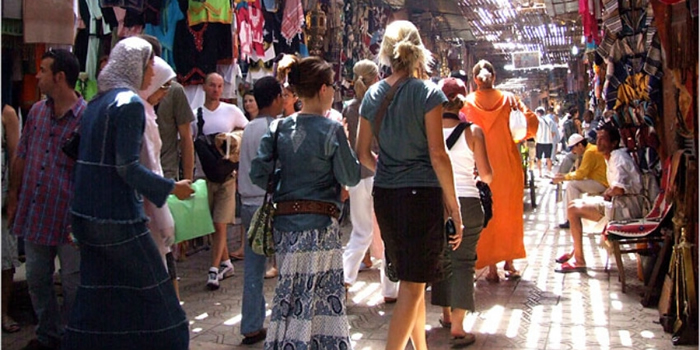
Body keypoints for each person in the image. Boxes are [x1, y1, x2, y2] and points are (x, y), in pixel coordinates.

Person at [63, 37, 193, 350]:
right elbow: (127, 168)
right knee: (165, 310)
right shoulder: (130, 104)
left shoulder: (97, 102)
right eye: (148, 64)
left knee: (97, 300)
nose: (151, 72)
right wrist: (172, 188)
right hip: (119, 220)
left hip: (86, 217)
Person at [356, 20, 463, 350]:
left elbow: (362, 153)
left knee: (410, 280)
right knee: (415, 284)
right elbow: (437, 153)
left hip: (386, 195)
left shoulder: (373, 93)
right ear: (419, 50)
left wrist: (390, 170)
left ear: (386, 52)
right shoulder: (427, 92)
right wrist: (454, 207)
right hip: (420, 197)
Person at [250, 55, 360, 348]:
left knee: (291, 291)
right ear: (323, 89)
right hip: (320, 228)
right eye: (332, 86)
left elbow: (258, 173)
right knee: (320, 295)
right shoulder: (332, 129)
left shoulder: (278, 128)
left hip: (285, 227)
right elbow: (350, 174)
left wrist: (285, 183)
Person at [7, 49, 86, 350]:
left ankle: (75, 337)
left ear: (60, 77)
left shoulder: (86, 118)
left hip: (69, 219)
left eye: (42, 70)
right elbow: (22, 156)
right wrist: (14, 196)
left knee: (73, 283)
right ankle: (48, 334)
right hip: (37, 211)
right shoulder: (38, 113)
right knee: (38, 279)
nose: (37, 76)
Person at [460, 59, 538, 283]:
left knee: (486, 214)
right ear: (494, 77)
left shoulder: (467, 103)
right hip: (508, 167)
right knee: (508, 213)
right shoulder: (510, 99)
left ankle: (490, 267)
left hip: (479, 167)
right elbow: (530, 124)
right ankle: (509, 263)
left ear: (475, 80)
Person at [430, 77, 492, 347]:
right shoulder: (474, 132)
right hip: (467, 202)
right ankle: (457, 326)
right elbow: (487, 175)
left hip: (436, 203)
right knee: (463, 262)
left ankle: (444, 314)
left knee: (442, 257)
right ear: (462, 100)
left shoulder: (427, 131)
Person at [342, 59, 399, 304]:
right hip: (381, 173)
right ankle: (390, 291)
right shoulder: (385, 105)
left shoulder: (349, 107)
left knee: (361, 232)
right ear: (377, 78)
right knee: (389, 233)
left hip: (357, 175)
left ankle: (344, 279)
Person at [556, 123, 643, 273]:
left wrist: (608, 194)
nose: (599, 142)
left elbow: (619, 188)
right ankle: (574, 254)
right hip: (618, 203)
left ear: (614, 143)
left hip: (625, 207)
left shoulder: (617, 158)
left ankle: (579, 260)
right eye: (598, 138)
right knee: (574, 206)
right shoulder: (609, 158)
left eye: (603, 139)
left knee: (574, 209)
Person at [238, 76, 285, 345]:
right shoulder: (274, 128)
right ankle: (283, 322)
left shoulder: (249, 127)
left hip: (247, 203)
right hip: (269, 205)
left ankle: (251, 325)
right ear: (276, 98)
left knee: (254, 268)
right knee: (286, 265)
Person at [193, 73, 248, 290]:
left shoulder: (231, 111)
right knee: (212, 225)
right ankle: (226, 262)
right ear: (204, 88)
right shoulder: (195, 114)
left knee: (220, 223)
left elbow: (247, 131)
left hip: (226, 176)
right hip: (204, 175)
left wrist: (232, 144)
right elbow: (187, 143)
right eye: (212, 86)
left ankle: (213, 270)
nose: (216, 90)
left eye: (219, 86)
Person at [138, 56, 178, 268]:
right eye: (163, 87)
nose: (164, 94)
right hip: (145, 206)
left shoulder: (146, 111)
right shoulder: (140, 114)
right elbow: (150, 166)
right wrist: (164, 220)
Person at [552, 133, 608, 230]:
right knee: (572, 184)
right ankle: (572, 216)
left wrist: (564, 177)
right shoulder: (590, 150)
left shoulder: (590, 152)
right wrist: (565, 176)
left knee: (572, 185)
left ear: (580, 145)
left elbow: (581, 174)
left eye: (574, 149)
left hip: (601, 183)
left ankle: (572, 218)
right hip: (599, 181)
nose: (573, 152)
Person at [2, 104, 21, 334]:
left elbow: (16, 155)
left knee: (4, 260)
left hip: (2, 194)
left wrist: (13, 193)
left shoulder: (6, 113)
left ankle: (2, 312)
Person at [534, 106, 557, 177]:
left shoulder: (537, 120)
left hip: (539, 142)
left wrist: (536, 139)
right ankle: (549, 171)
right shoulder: (550, 120)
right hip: (548, 142)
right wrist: (549, 138)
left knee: (539, 158)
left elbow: (534, 131)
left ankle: (540, 173)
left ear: (538, 113)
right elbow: (554, 132)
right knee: (548, 158)